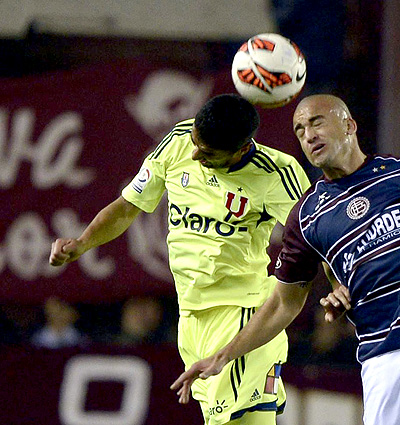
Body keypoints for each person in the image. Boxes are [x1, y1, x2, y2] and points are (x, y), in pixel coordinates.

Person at [171, 94, 400, 425]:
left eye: (317, 122)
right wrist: (223, 356)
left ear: (349, 125)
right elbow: (283, 304)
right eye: (300, 130)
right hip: (384, 356)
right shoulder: (307, 216)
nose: (308, 135)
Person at [49, 94, 311, 425]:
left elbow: (317, 235)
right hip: (190, 318)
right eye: (195, 143)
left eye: (208, 153)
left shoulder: (277, 174)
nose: (195, 154)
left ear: (241, 150)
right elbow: (128, 206)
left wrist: (339, 284)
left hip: (242, 315)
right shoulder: (178, 140)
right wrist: (83, 242)